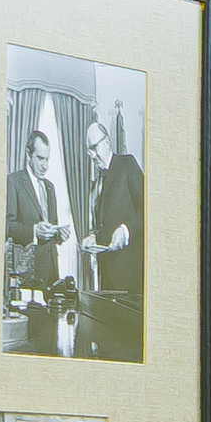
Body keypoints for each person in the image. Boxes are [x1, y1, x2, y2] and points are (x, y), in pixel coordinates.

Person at [4, 106, 85, 355]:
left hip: (51, 277)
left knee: (50, 344)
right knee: (28, 346)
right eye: (40, 158)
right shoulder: (13, 182)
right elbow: (7, 226)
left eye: (48, 159)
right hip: (27, 278)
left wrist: (60, 235)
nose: (45, 165)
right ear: (29, 155)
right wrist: (34, 231)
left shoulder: (50, 188)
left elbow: (51, 227)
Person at [81, 107, 143, 359]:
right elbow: (107, 224)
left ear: (107, 142)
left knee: (129, 350)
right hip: (107, 285)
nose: (92, 155)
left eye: (94, 148)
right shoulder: (98, 181)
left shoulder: (127, 164)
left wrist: (126, 230)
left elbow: (149, 208)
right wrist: (94, 237)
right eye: (88, 150)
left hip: (130, 284)